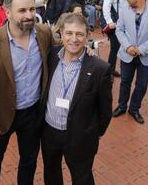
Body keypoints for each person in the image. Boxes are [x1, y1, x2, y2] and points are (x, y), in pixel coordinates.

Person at [0, 0, 52, 185]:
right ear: (8, 13)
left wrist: (86, 48)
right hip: (1, 114)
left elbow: (63, 47)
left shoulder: (43, 33)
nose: (29, 15)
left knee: (29, 160)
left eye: (32, 9)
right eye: (22, 10)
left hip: (32, 113)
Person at [41, 13, 112, 185]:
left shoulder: (99, 68)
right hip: (49, 131)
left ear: (87, 36)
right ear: (62, 34)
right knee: (51, 173)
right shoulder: (51, 56)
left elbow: (105, 111)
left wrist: (93, 132)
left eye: (79, 34)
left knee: (82, 178)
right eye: (69, 33)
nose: (74, 39)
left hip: (80, 136)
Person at [101, 0, 131, 77]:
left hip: (125, 23)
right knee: (115, 48)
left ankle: (112, 70)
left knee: (121, 48)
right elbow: (106, 6)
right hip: (114, 24)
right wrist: (109, 22)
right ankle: (109, 72)